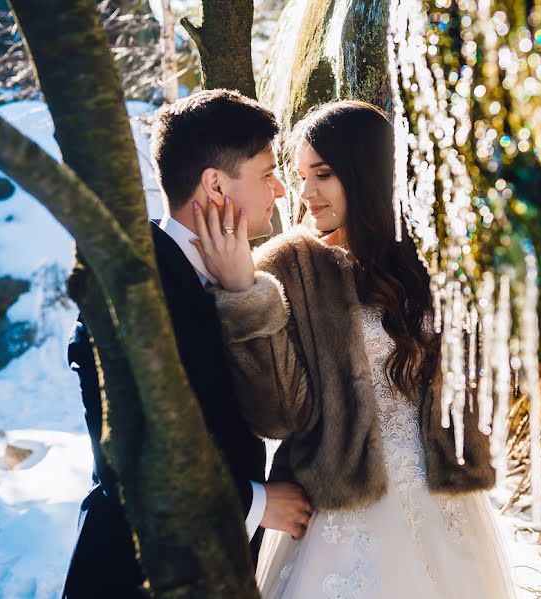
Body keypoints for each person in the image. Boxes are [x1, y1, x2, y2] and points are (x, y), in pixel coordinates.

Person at [194, 100, 516, 598]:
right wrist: (244, 295)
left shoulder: (431, 258)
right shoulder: (286, 267)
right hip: (340, 511)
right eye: (299, 176)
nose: (305, 193)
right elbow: (277, 416)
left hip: (444, 505)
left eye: (321, 174)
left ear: (365, 172)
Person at [62, 89, 313, 599]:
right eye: (266, 173)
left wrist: (242, 293)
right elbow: (127, 464)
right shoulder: (130, 292)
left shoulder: (241, 279)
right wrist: (258, 504)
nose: (282, 191)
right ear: (215, 184)